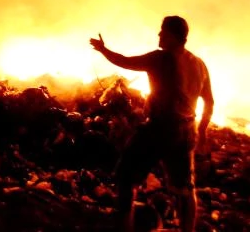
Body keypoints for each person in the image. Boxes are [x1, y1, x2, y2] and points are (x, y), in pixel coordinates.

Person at [89, 16, 214, 232]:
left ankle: (125, 227)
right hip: (187, 131)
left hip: (160, 129)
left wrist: (103, 49)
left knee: (126, 176)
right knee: (185, 189)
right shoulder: (199, 64)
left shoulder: (161, 59)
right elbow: (209, 101)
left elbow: (124, 61)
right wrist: (201, 133)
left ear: (174, 36)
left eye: (163, 32)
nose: (159, 35)